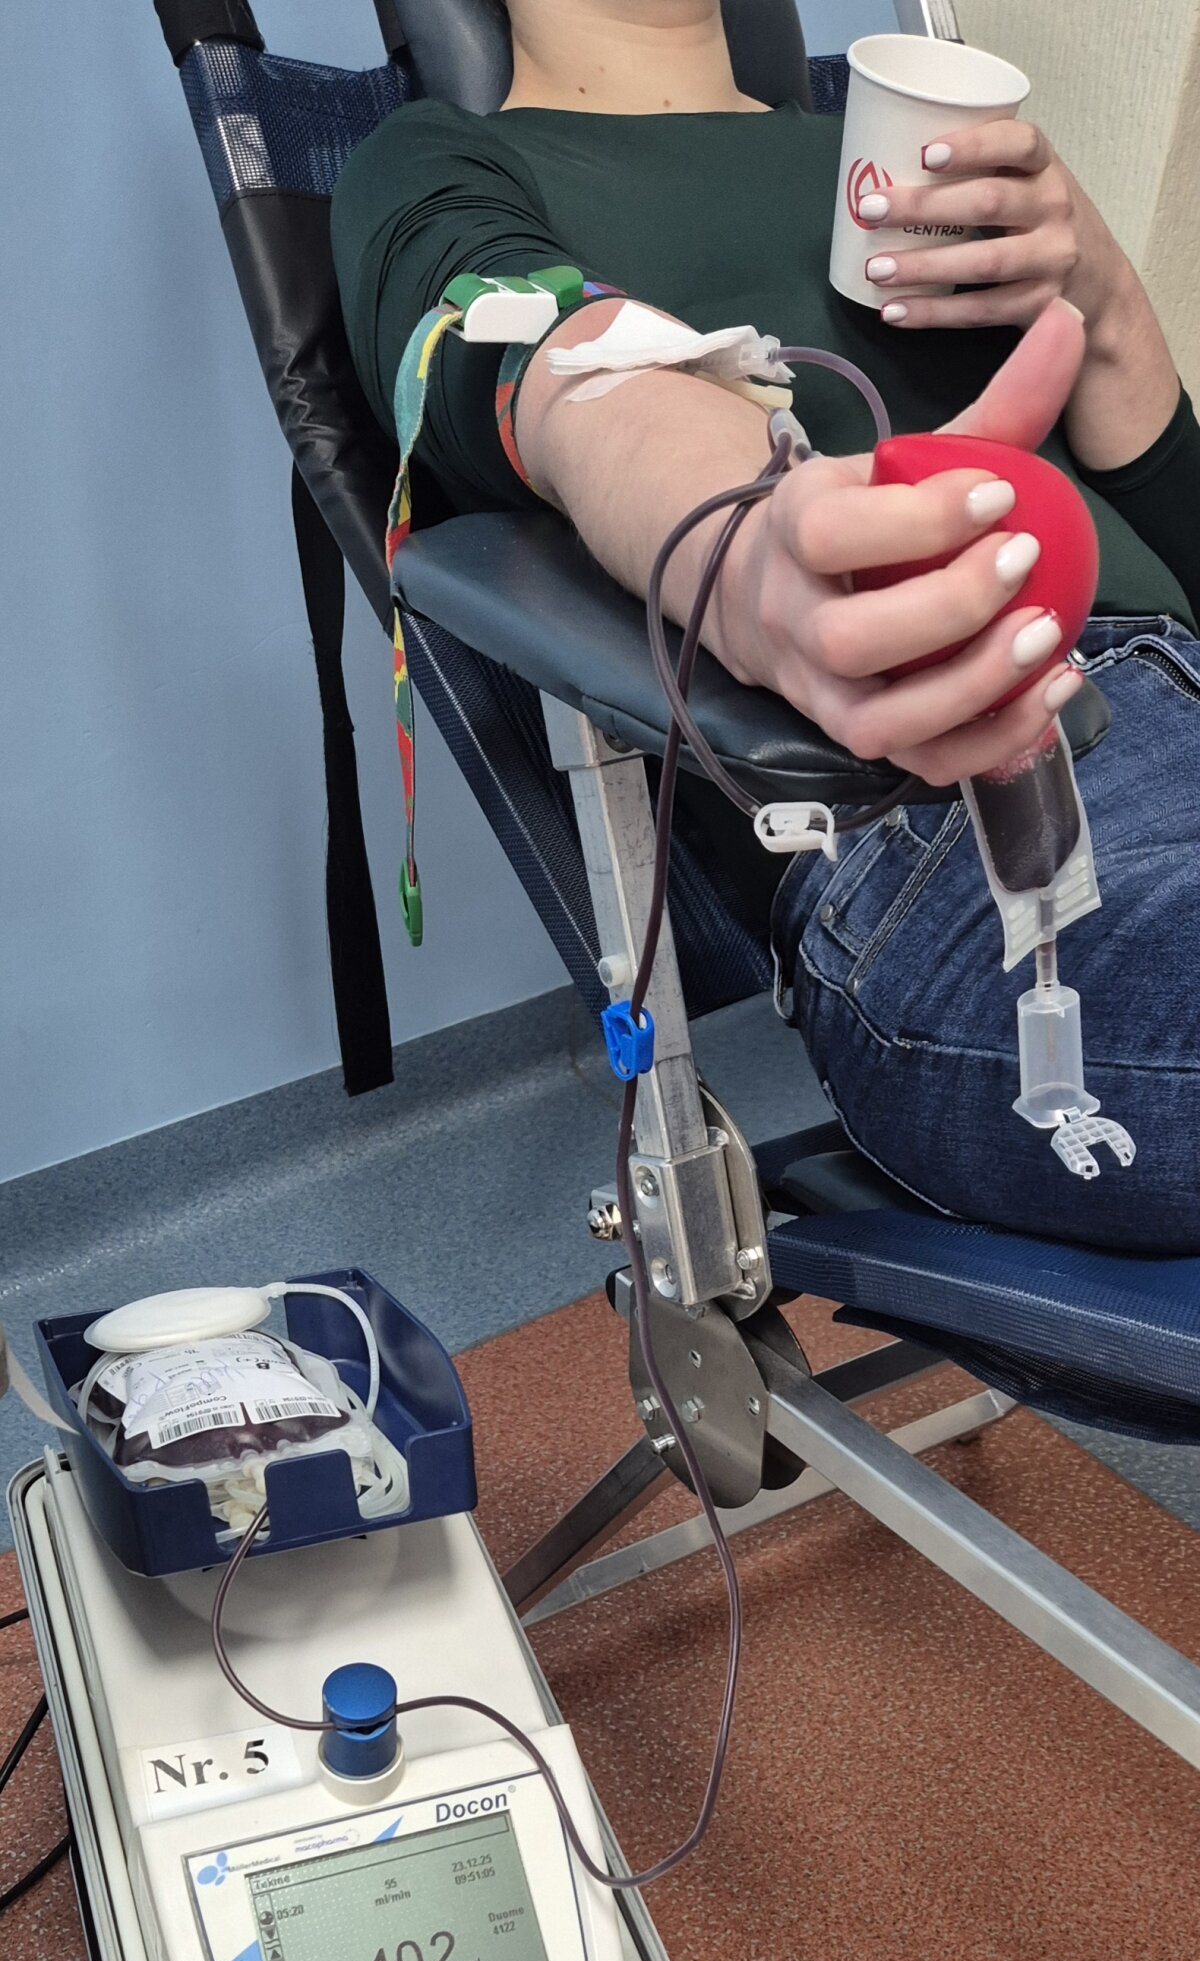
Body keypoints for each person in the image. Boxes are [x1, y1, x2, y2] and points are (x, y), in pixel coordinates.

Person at [332, 0, 1200, 1251]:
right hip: (953, 822)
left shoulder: (897, 154)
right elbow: (550, 361)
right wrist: (751, 547)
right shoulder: (438, 165)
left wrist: (1101, 297)